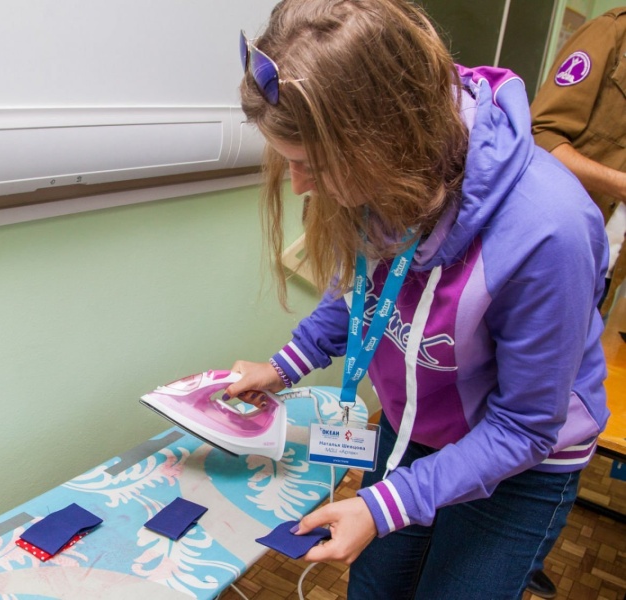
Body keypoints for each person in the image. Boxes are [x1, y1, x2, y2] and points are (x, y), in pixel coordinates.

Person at [225, 0, 610, 598]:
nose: (298, 185)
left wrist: (386, 505)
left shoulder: (549, 230)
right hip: (416, 425)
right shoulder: (387, 175)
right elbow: (362, 288)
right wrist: (284, 366)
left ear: (386, 141)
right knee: (375, 588)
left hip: (521, 457)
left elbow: (525, 425)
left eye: (311, 165)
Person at [531, 7, 626, 317]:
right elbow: (541, 136)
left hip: (607, 272)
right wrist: (619, 184)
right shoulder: (612, 33)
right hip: (555, 252)